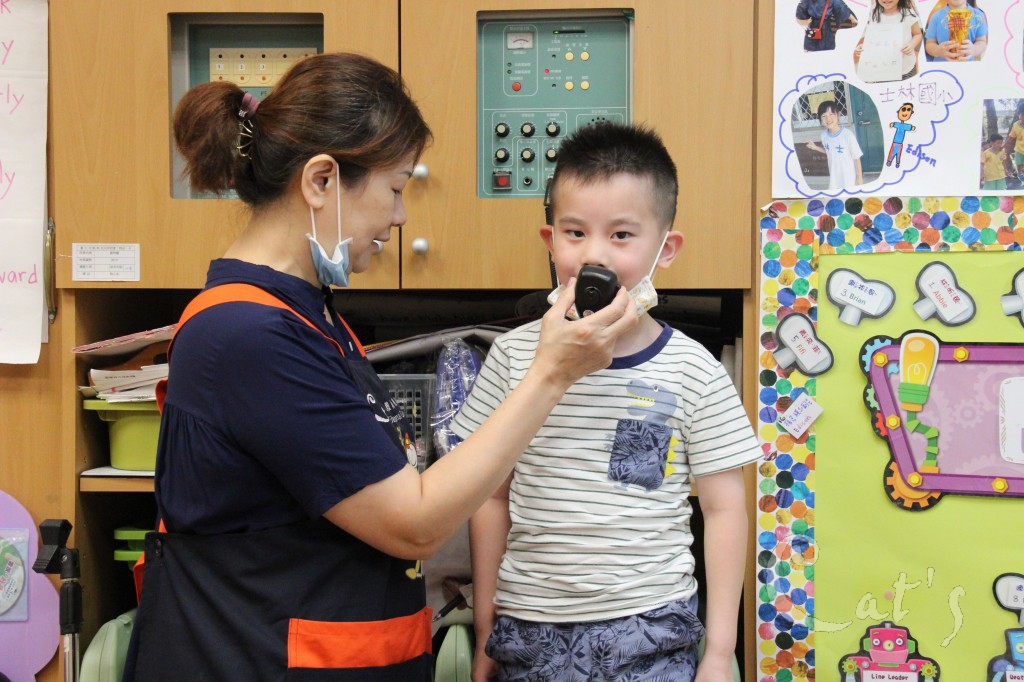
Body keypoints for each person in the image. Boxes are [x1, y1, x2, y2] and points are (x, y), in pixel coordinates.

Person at [122, 52, 638, 681]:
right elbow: (414, 523)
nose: (399, 216)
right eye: (394, 189)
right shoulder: (248, 336)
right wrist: (551, 373)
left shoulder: (306, 314)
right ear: (320, 181)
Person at [451, 122, 761, 682]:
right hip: (530, 627)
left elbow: (724, 510)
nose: (593, 254)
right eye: (575, 232)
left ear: (666, 249)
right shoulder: (512, 357)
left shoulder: (694, 369)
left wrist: (719, 652)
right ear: (550, 241)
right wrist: (486, 627)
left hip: (651, 625)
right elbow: (488, 499)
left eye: (621, 235)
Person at [853, 0, 923, 81]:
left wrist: (912, 44)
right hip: (882, 69)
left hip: (906, 69)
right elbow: (870, 38)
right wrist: (861, 48)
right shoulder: (873, 15)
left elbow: (918, 34)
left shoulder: (908, 14)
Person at [805, 100, 864, 189]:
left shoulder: (847, 135)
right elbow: (829, 151)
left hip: (848, 177)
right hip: (834, 176)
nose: (828, 119)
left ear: (838, 115)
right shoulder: (824, 136)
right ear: (820, 119)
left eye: (831, 114)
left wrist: (859, 177)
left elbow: (856, 157)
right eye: (824, 116)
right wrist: (815, 147)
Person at [1004, 102, 1024, 180]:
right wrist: (1003, 146)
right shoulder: (1016, 125)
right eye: (1022, 115)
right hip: (1019, 150)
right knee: (1019, 166)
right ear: (1018, 114)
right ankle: (1021, 179)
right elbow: (1011, 138)